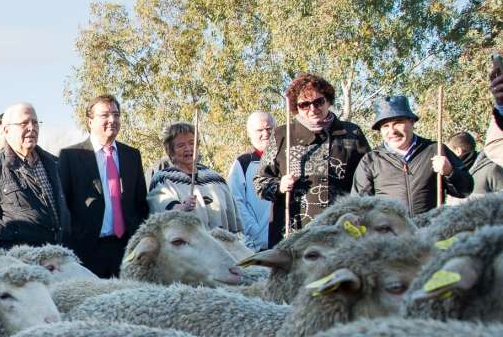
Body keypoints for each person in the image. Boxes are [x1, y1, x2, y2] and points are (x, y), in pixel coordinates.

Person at [255, 73, 370, 244]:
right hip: (294, 235)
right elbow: (260, 183)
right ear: (297, 107)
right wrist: (279, 186)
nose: (312, 109)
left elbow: (367, 181)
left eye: (318, 102)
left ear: (328, 101)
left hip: (341, 233)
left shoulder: (352, 133)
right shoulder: (281, 135)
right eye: (304, 104)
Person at [58, 94, 150, 278]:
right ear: (90, 121)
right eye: (105, 115)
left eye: (116, 114)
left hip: (127, 250)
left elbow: (140, 203)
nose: (112, 120)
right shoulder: (71, 156)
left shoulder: (132, 155)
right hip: (87, 250)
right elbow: (63, 206)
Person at [0, 102, 69, 254]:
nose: (32, 128)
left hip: (59, 258)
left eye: (35, 122)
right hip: (20, 262)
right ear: (6, 131)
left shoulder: (55, 164)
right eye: (24, 123)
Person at [353, 96, 472, 217]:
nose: (392, 131)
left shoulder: (436, 150)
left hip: (429, 227)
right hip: (391, 229)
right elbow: (359, 206)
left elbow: (465, 190)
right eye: (385, 126)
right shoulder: (371, 160)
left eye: (398, 122)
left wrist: (450, 172)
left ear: (412, 122)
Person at [148, 123, 242, 233]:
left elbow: (234, 220)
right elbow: (161, 209)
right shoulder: (162, 179)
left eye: (192, 143)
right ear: (170, 151)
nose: (188, 148)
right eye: (181, 145)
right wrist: (182, 208)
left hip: (221, 242)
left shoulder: (216, 179)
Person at [227, 111, 276, 250]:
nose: (265, 133)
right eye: (260, 130)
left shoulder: (286, 159)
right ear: (250, 133)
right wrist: (255, 232)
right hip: (257, 246)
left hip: (286, 240)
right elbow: (235, 200)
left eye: (269, 128)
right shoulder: (243, 163)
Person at [447, 131, 503, 198]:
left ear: (458, 151)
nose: (448, 157)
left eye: (449, 153)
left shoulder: (492, 169)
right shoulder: (456, 176)